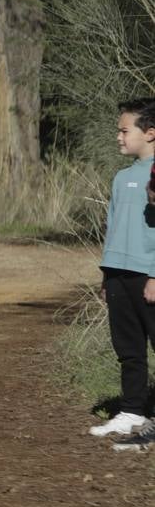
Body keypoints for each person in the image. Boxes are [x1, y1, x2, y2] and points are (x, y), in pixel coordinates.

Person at [88, 100, 155, 441]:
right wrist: (106, 276)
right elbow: (112, 226)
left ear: (150, 133)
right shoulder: (121, 177)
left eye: (124, 130)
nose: (118, 136)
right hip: (118, 275)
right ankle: (131, 411)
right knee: (128, 349)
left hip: (148, 277)